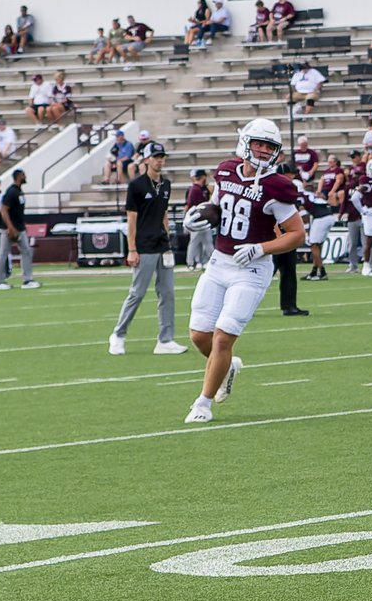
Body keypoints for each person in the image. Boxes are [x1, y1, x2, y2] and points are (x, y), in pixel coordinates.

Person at [180, 117, 303, 424]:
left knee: (223, 337)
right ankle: (227, 366)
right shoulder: (225, 171)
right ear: (245, 143)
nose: (263, 151)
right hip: (219, 262)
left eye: (269, 147)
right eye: (258, 144)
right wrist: (199, 217)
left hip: (251, 269)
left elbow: (296, 234)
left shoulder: (277, 186)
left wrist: (261, 248)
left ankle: (203, 403)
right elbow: (217, 206)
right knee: (199, 335)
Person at [107, 142, 184, 355]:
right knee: (137, 293)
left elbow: (164, 213)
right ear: (147, 159)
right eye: (156, 157)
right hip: (144, 246)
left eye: (162, 157)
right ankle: (118, 334)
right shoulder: (137, 185)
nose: (160, 160)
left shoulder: (166, 185)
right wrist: (132, 249)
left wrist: (168, 240)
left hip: (162, 245)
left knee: (167, 294)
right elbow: (131, 219)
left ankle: (165, 339)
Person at [0, 166, 37, 289]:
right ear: (18, 177)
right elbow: (4, 210)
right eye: (23, 175)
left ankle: (27, 279)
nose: (25, 177)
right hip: (8, 229)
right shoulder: (11, 192)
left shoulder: (19, 191)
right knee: (3, 253)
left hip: (20, 228)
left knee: (26, 251)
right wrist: (10, 227)